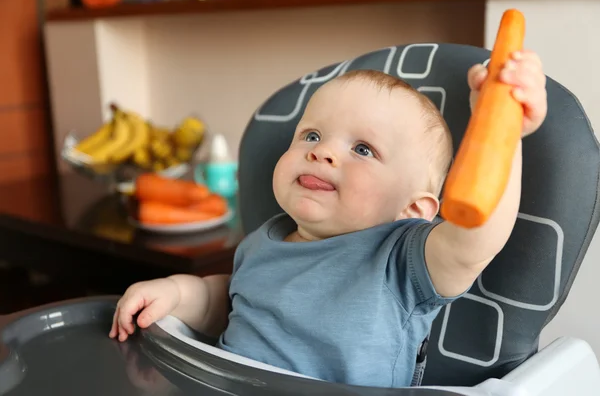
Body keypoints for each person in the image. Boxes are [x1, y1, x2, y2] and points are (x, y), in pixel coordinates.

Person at [109, 50, 547, 388]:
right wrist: (173, 293)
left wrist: (503, 131)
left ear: (413, 210)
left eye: (363, 149)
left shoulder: (403, 259)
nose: (322, 151)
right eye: (311, 135)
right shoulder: (264, 240)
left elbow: (475, 239)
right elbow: (225, 302)